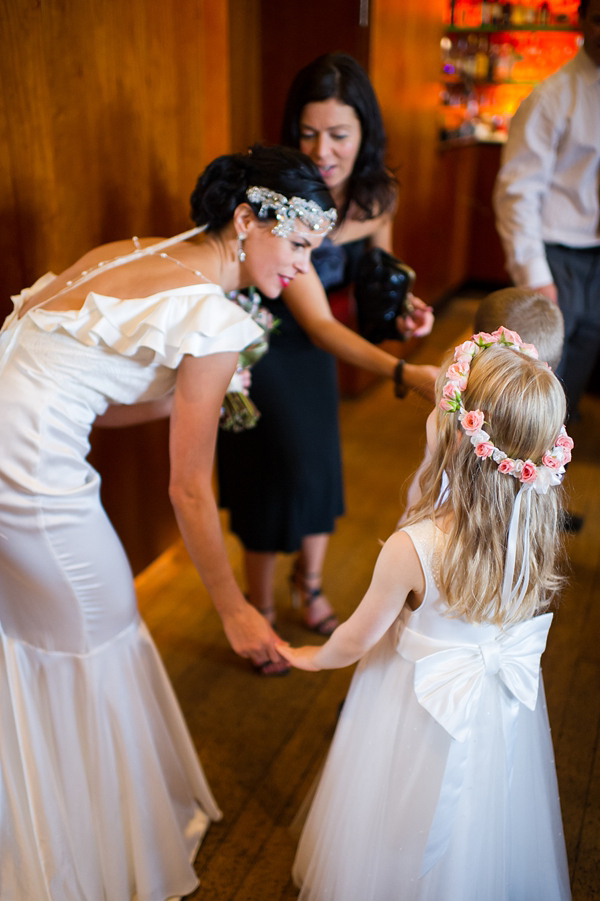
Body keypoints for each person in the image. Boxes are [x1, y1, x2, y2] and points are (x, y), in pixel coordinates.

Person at [0, 144, 339, 899]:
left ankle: (46, 821)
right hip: (29, 482)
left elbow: (85, 388)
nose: (301, 269)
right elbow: (187, 488)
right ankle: (97, 852)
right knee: (101, 631)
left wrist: (199, 396)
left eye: (314, 251)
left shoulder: (126, 253)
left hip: (6, 453)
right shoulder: (215, 319)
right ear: (247, 219)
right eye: (297, 245)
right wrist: (235, 609)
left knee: (34, 640)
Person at [280, 329, 572, 900]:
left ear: (454, 438)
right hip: (494, 708)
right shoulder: (533, 533)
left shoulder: (413, 546)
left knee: (401, 810)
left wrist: (314, 657)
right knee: (482, 814)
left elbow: (357, 637)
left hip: (413, 703)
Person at [217, 54, 436, 660]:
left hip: (319, 353)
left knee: (318, 472)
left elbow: (372, 287)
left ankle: (307, 585)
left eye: (339, 134)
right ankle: (258, 607)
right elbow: (314, 319)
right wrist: (402, 371)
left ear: (365, 133)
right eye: (309, 133)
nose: (322, 150)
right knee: (271, 472)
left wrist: (400, 311)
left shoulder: (374, 198)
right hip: (259, 343)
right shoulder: (286, 194)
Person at [493, 0, 600, 417]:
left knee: (576, 377)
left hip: (596, 258)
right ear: (581, 20)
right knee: (539, 378)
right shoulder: (551, 97)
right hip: (558, 257)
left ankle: (556, 465)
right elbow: (517, 191)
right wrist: (535, 275)